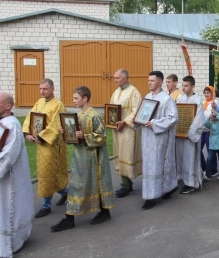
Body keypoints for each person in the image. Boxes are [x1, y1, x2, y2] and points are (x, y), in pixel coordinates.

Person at [50, 86, 115, 232]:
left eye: (76, 98)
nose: (73, 101)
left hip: (92, 158)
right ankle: (74, 217)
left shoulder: (94, 116)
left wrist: (84, 136)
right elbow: (74, 137)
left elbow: (102, 137)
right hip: (79, 157)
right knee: (77, 185)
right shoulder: (78, 115)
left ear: (85, 98)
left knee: (91, 185)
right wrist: (66, 133)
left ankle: (97, 213)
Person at [22, 78, 68, 218]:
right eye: (40, 89)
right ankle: (66, 193)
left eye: (45, 89)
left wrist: (41, 137)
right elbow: (30, 117)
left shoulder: (58, 105)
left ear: (52, 89)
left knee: (48, 173)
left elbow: (55, 124)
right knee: (45, 172)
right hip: (39, 145)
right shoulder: (39, 102)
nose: (42, 91)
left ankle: (46, 205)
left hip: (51, 145)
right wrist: (27, 133)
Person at [136, 71, 179, 210]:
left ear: (160, 82)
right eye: (148, 80)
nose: (149, 82)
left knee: (157, 164)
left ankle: (152, 196)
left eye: (152, 80)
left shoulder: (167, 99)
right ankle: (167, 188)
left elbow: (173, 118)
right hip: (147, 137)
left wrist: (154, 123)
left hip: (159, 137)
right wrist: (137, 120)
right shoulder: (147, 97)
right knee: (149, 164)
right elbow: (142, 114)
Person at [0, 93, 34, 256]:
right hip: (3, 179)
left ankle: (12, 241)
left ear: (8, 106)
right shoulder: (3, 123)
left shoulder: (12, 125)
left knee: (8, 209)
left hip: (10, 178)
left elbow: (8, 156)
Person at [110, 69, 142, 198]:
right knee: (119, 154)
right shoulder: (116, 92)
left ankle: (126, 185)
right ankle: (125, 183)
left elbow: (137, 110)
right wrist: (110, 121)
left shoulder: (134, 92)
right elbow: (111, 108)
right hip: (118, 129)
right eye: (115, 78)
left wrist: (124, 121)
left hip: (128, 129)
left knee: (127, 155)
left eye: (117, 78)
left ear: (125, 78)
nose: (115, 80)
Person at [176, 76, 205, 194]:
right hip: (180, 135)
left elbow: (199, 119)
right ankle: (183, 179)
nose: (183, 88)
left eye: (186, 85)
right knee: (182, 158)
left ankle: (191, 183)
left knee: (191, 158)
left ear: (193, 86)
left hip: (190, 136)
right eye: (182, 85)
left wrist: (190, 133)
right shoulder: (180, 99)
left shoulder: (197, 100)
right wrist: (177, 130)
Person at [203, 109, 219, 181]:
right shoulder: (210, 122)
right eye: (212, 116)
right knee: (209, 159)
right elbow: (205, 123)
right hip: (212, 143)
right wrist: (208, 117)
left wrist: (216, 113)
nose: (213, 117)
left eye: (214, 116)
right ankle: (208, 175)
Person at [201, 86, 219, 177]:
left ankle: (213, 169)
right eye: (205, 92)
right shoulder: (203, 102)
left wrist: (213, 111)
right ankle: (204, 166)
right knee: (198, 148)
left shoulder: (215, 102)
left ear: (212, 93)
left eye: (208, 92)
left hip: (210, 130)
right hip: (202, 129)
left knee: (210, 150)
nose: (206, 94)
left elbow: (214, 113)